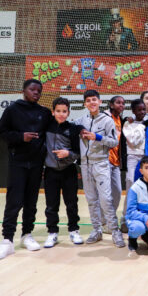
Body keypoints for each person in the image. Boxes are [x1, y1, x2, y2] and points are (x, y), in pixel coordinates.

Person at [0, 79, 52, 259]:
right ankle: (7, 240)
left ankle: (26, 234)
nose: (36, 92)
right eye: (32, 89)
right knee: (14, 201)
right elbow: (2, 132)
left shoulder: (44, 112)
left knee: (31, 201)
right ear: (24, 91)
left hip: (36, 164)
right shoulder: (13, 110)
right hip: (18, 162)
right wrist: (21, 137)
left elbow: (56, 129)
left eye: (39, 90)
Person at [75, 89, 125, 247]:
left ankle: (115, 232)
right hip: (85, 164)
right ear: (85, 103)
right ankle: (96, 230)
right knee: (91, 200)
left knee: (106, 200)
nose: (91, 103)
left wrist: (96, 137)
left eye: (94, 100)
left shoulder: (107, 120)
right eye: (88, 100)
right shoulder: (79, 121)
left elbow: (114, 142)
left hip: (102, 163)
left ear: (100, 102)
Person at [43, 97, 84, 248]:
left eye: (64, 111)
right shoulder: (46, 126)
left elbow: (78, 152)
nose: (61, 114)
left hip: (69, 171)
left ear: (68, 112)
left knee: (71, 203)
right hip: (50, 172)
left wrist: (68, 154)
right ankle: (52, 232)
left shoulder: (73, 129)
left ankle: (74, 230)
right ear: (53, 112)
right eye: (58, 111)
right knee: (51, 205)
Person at [120, 99, 147, 232]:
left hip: (146, 157)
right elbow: (133, 141)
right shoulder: (128, 124)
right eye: (139, 110)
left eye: (143, 109)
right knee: (131, 185)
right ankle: (125, 219)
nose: (142, 112)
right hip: (132, 157)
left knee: (146, 188)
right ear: (133, 111)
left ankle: (143, 218)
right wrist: (142, 127)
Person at [105, 96, 126, 229]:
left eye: (123, 103)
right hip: (104, 161)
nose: (121, 105)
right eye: (118, 103)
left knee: (117, 192)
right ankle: (106, 223)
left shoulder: (121, 120)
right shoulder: (105, 118)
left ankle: (110, 220)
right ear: (111, 105)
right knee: (105, 194)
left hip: (116, 162)